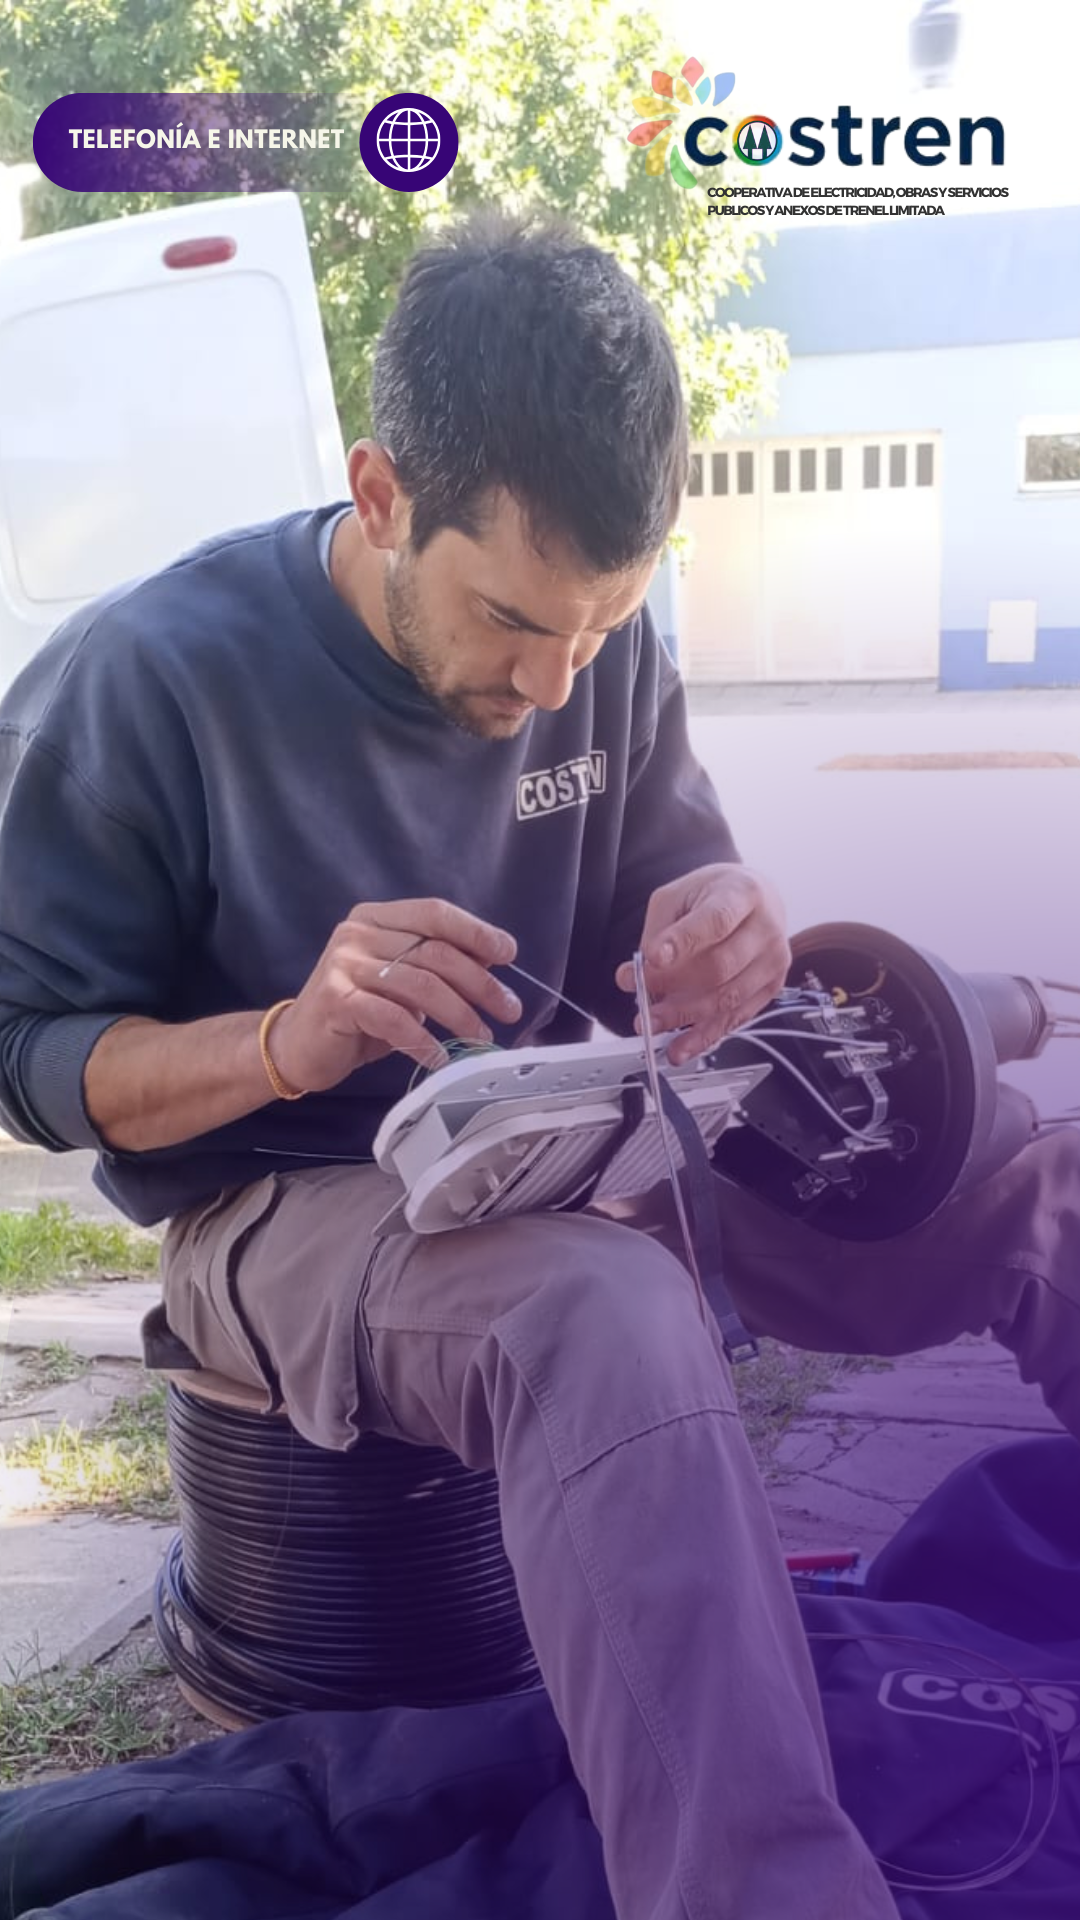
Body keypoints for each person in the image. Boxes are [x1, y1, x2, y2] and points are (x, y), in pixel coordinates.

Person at [0, 206, 1076, 1920]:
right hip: (286, 1200)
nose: (553, 675)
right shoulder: (144, 683)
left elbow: (670, 888)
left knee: (1036, 1173)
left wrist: (728, 919)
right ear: (379, 495)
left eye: (600, 626)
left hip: (582, 1118)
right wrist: (287, 1034)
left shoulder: (595, 648)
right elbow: (33, 1061)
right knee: (596, 1309)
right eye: (512, 619)